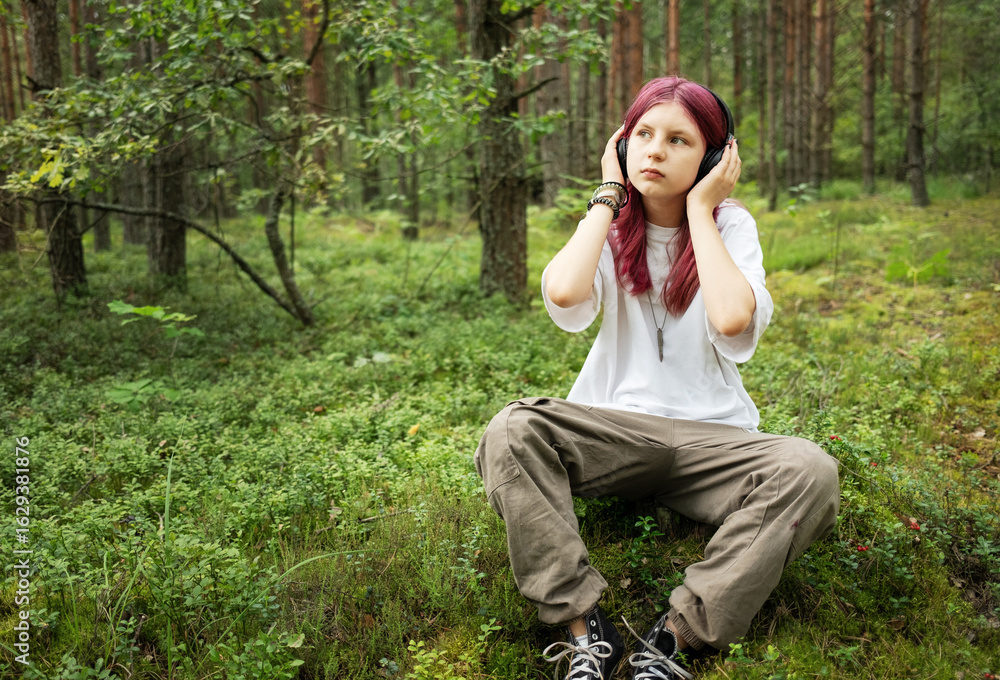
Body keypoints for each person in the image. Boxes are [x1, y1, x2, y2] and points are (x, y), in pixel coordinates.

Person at [473, 76, 841, 680]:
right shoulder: (609, 227)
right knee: (513, 429)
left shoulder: (731, 228)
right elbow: (564, 295)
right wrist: (607, 197)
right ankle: (584, 631)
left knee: (810, 469)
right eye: (642, 135)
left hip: (714, 442)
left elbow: (730, 318)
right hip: (615, 432)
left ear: (715, 158)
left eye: (678, 140)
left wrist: (700, 209)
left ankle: (672, 641)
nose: (654, 151)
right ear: (621, 147)